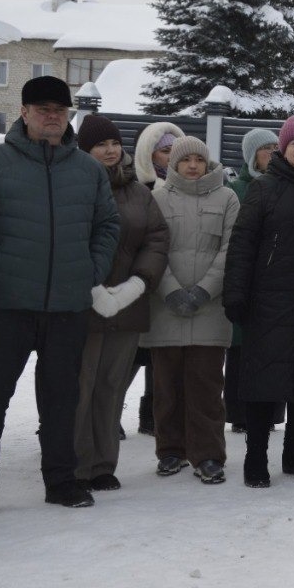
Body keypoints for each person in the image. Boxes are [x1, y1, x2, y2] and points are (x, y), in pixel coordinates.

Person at [0, 77, 120, 513]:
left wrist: (89, 273)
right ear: (23, 112)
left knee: (62, 400)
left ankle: (62, 481)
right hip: (4, 304)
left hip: (67, 305)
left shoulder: (88, 169)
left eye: (59, 109)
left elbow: (107, 227)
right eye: (42, 108)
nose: (52, 116)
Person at [224, 114, 294, 488]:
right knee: (263, 381)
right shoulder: (265, 188)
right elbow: (242, 243)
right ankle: (256, 456)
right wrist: (236, 293)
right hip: (269, 299)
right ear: (282, 150)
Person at [73, 115, 170, 492]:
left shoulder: (138, 192)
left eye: (114, 143)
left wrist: (136, 284)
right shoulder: (73, 185)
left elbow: (157, 239)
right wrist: (92, 288)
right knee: (80, 386)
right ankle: (76, 466)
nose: (110, 150)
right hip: (81, 303)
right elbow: (65, 238)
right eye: (100, 145)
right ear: (85, 150)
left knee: (112, 386)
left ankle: (102, 465)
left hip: (128, 304)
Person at [143, 136, 239, 484]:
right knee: (166, 389)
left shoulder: (227, 198)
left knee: (206, 388)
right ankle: (170, 450)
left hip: (209, 308)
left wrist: (203, 290)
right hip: (166, 308)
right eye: (186, 160)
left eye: (199, 159)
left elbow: (231, 249)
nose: (193, 165)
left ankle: (208, 455)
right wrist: (169, 290)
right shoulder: (157, 198)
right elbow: (152, 247)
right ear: (174, 165)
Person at [129, 120, 186, 436]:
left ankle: (151, 413)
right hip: (142, 280)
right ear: (149, 155)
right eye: (166, 151)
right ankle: (110, 415)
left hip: (176, 278)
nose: (172, 157)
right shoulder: (139, 189)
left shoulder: (187, 186)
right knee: (132, 354)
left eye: (176, 150)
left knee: (161, 354)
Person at [225, 128, 280, 434]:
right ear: (251, 156)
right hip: (245, 277)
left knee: (272, 347)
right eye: (266, 149)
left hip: (275, 280)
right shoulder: (237, 190)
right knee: (240, 348)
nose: (273, 153)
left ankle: (271, 413)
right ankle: (238, 414)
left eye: (276, 147)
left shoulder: (284, 185)